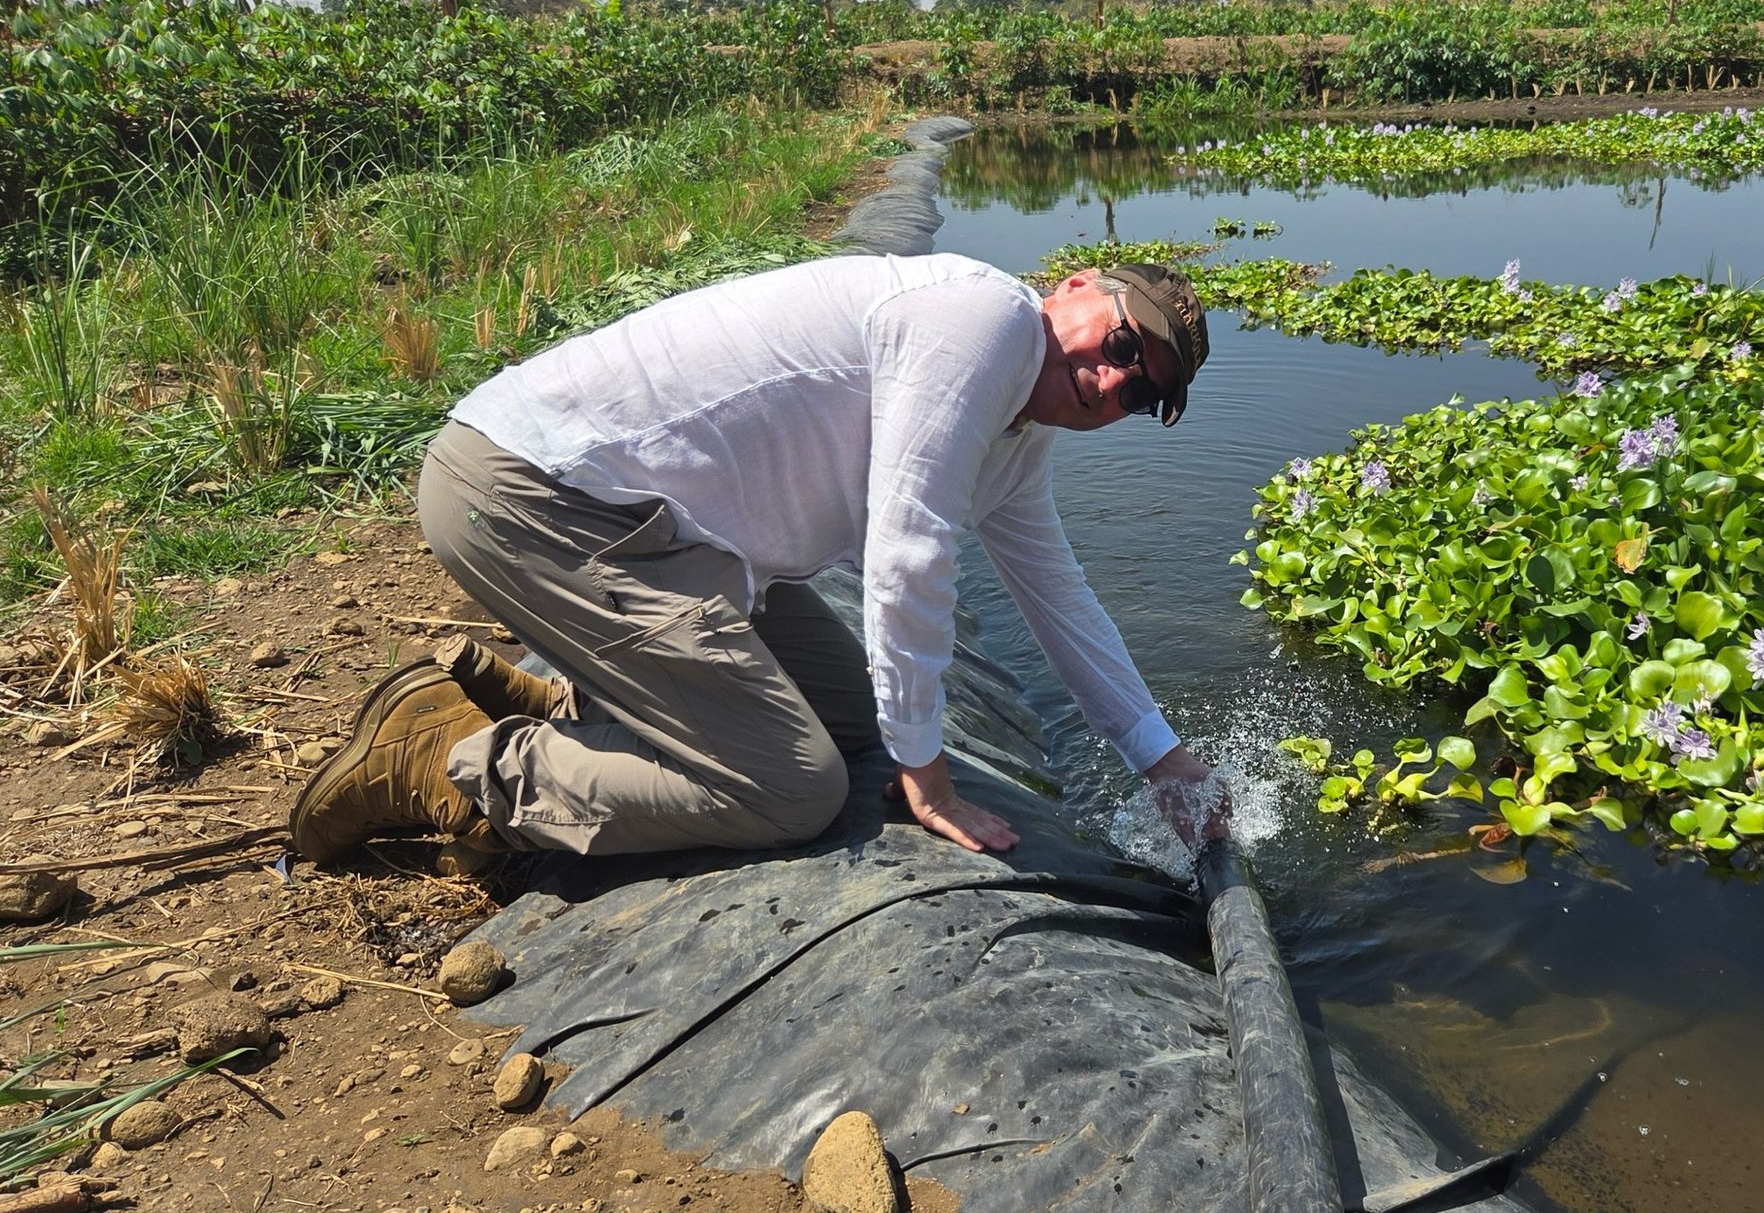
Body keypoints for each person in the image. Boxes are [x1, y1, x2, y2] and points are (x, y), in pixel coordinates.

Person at [289, 253, 1220, 866]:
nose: (1110, 381)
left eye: (1140, 393)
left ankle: (572, 700)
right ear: (1074, 286)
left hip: (663, 536)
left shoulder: (1018, 441)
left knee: (859, 721)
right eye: (1122, 344)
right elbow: (907, 553)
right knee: (793, 788)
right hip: (535, 495)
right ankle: (447, 764)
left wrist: (1163, 762)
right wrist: (929, 782)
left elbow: (1060, 599)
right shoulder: (983, 322)